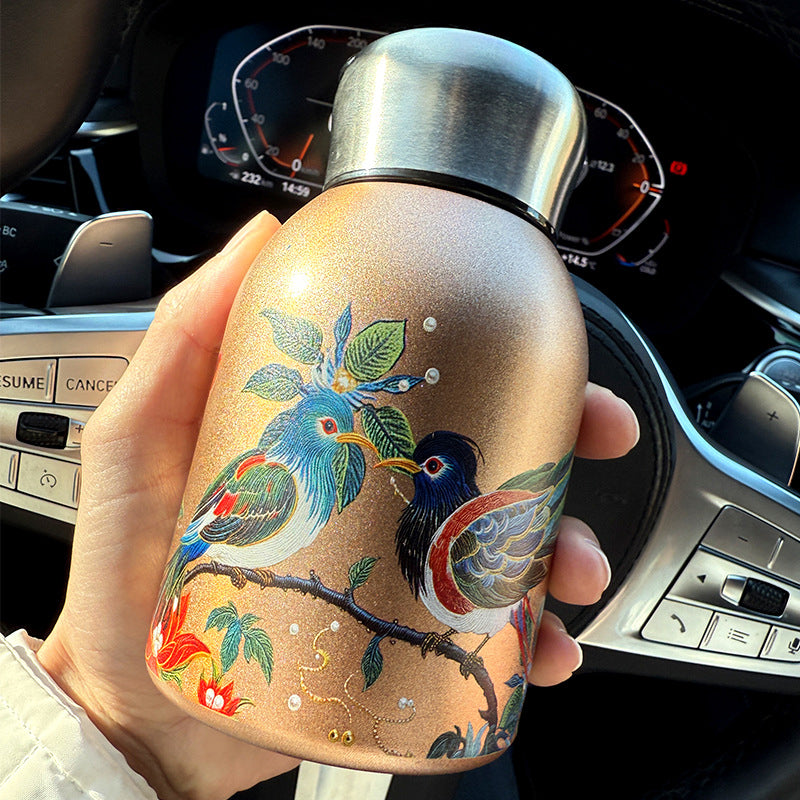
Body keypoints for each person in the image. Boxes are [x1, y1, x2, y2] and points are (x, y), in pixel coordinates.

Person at [0, 211, 640, 800]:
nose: (351, 443)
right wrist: (107, 716)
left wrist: (104, 736)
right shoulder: (280, 477)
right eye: (334, 430)